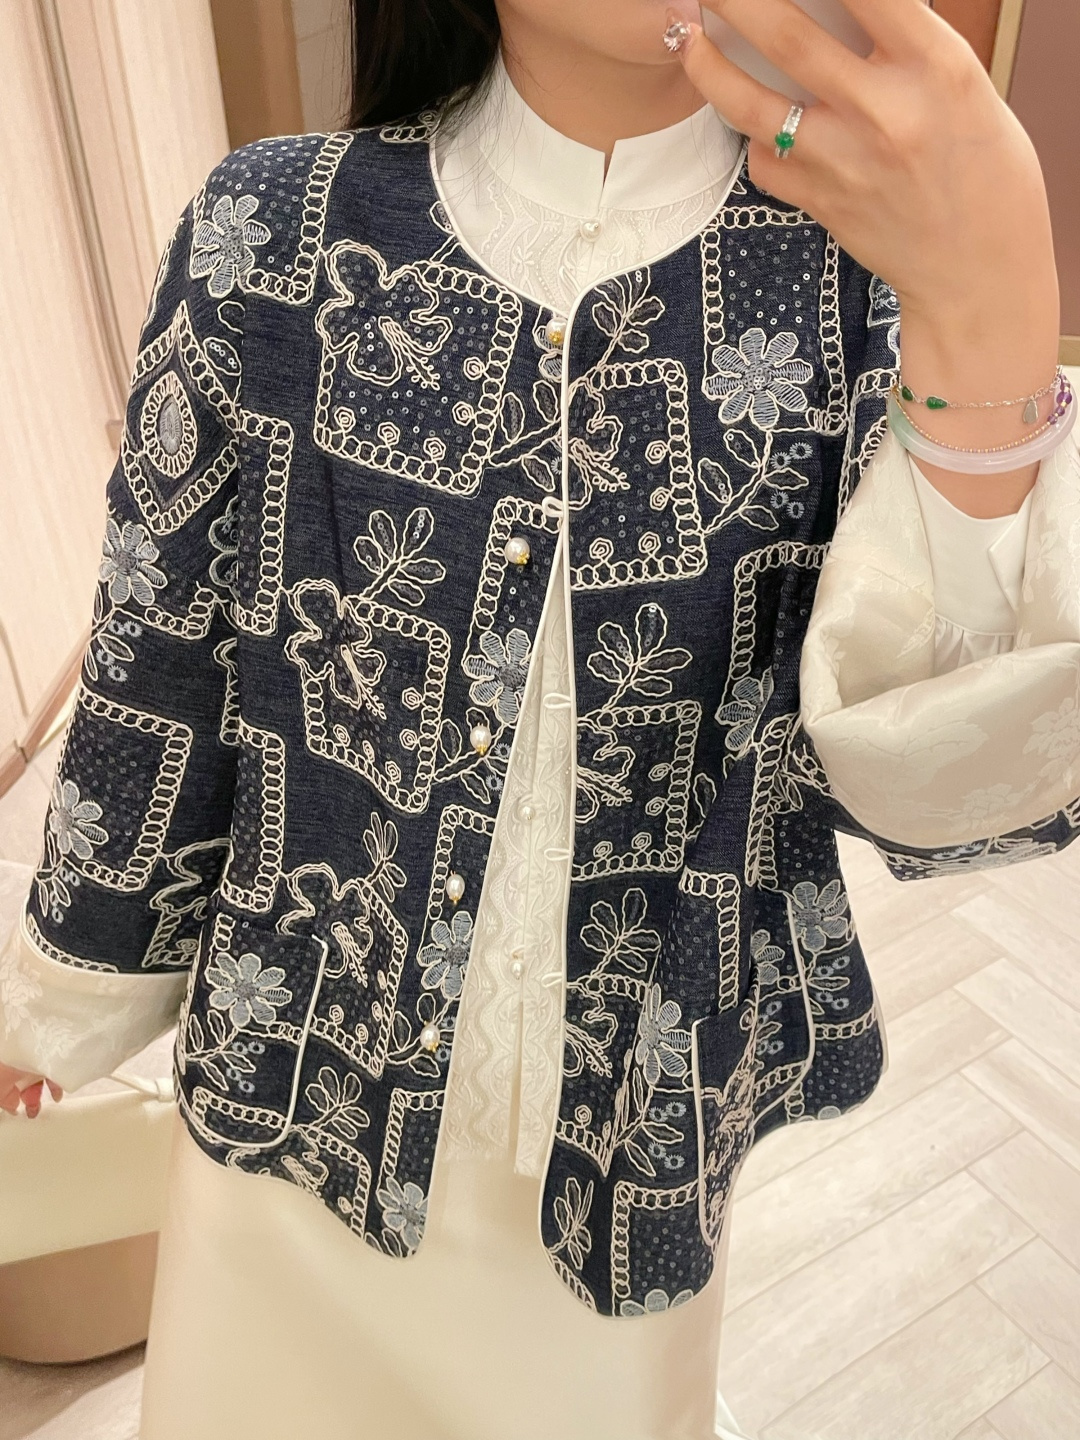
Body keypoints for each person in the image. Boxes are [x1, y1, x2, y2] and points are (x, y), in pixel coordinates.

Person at [2, 1, 1078, 1436]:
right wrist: (54, 1000)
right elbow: (160, 661)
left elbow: (944, 794)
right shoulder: (274, 233)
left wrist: (992, 318)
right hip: (292, 1105)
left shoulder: (847, 290)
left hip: (629, 1141)